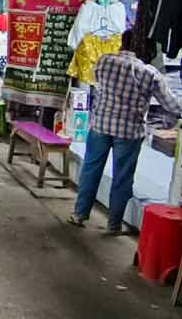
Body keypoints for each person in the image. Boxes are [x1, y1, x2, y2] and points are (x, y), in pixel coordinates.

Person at [68, 32, 182, 233]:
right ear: (145, 49)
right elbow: (172, 105)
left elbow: (96, 81)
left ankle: (79, 214)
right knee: (122, 178)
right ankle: (113, 225)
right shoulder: (149, 74)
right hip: (129, 132)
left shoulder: (104, 61)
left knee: (90, 169)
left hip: (100, 126)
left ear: (122, 43)